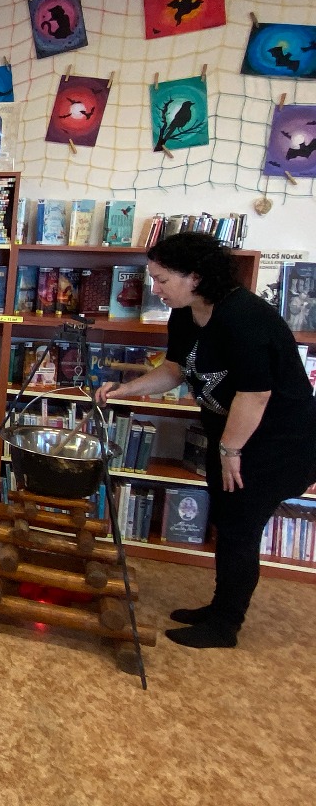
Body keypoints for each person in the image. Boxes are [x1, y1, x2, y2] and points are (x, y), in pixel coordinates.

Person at [98, 232, 316, 649]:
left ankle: (225, 625)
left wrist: (231, 450)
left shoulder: (245, 317)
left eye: (162, 279)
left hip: (276, 441)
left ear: (195, 277)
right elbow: (175, 370)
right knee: (228, 519)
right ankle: (219, 608)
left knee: (238, 529)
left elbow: (255, 393)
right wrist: (126, 390)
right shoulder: (185, 313)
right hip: (231, 435)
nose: (155, 288)